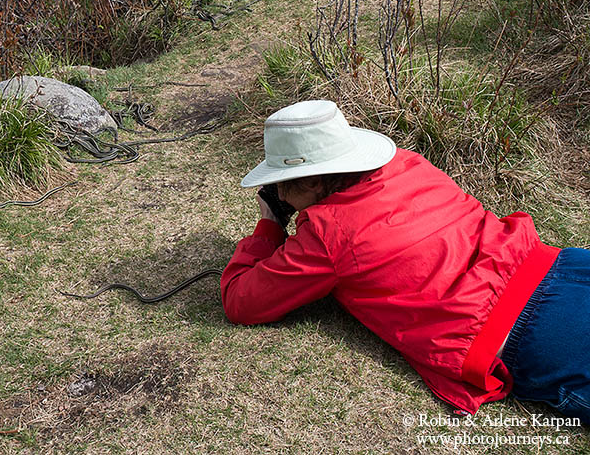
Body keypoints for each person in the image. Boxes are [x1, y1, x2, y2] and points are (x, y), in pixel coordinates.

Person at [221, 99, 590, 423]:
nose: (281, 192)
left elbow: (241, 301)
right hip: (558, 266)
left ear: (315, 182)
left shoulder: (326, 236)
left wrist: (269, 225)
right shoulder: (407, 163)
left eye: (286, 181)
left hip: (525, 331)